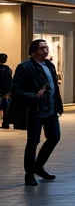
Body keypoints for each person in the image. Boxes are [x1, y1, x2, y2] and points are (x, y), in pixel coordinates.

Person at [10, 39, 63, 185]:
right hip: (35, 110)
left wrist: (58, 105)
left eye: (47, 48)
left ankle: (38, 166)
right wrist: (35, 96)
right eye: (42, 48)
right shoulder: (24, 67)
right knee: (33, 142)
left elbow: (54, 88)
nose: (46, 51)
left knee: (54, 137)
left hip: (51, 109)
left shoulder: (50, 65)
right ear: (34, 51)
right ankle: (29, 174)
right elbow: (16, 90)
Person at [0, 52, 12, 128]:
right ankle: (5, 123)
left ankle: (5, 123)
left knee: (4, 107)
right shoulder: (7, 69)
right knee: (5, 108)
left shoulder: (6, 69)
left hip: (3, 91)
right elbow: (9, 80)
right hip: (5, 91)